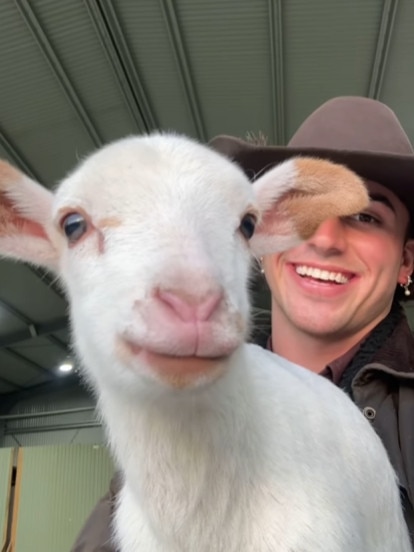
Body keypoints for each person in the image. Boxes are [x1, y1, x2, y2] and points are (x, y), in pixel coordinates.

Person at [71, 96, 414, 551]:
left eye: (366, 216)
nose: (325, 239)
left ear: (407, 261)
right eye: (302, 211)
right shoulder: (175, 414)